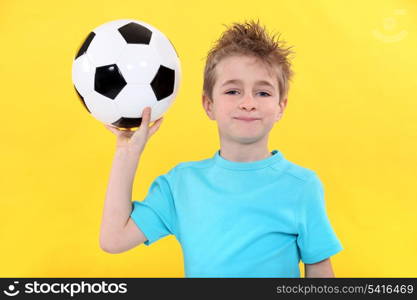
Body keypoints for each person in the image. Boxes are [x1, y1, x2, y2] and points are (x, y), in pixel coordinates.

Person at [100, 19, 343, 278]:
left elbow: (319, 271)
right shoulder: (181, 185)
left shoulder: (301, 186)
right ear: (209, 105)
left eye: (262, 93)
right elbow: (114, 240)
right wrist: (126, 154)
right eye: (233, 91)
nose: (248, 103)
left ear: (280, 107)